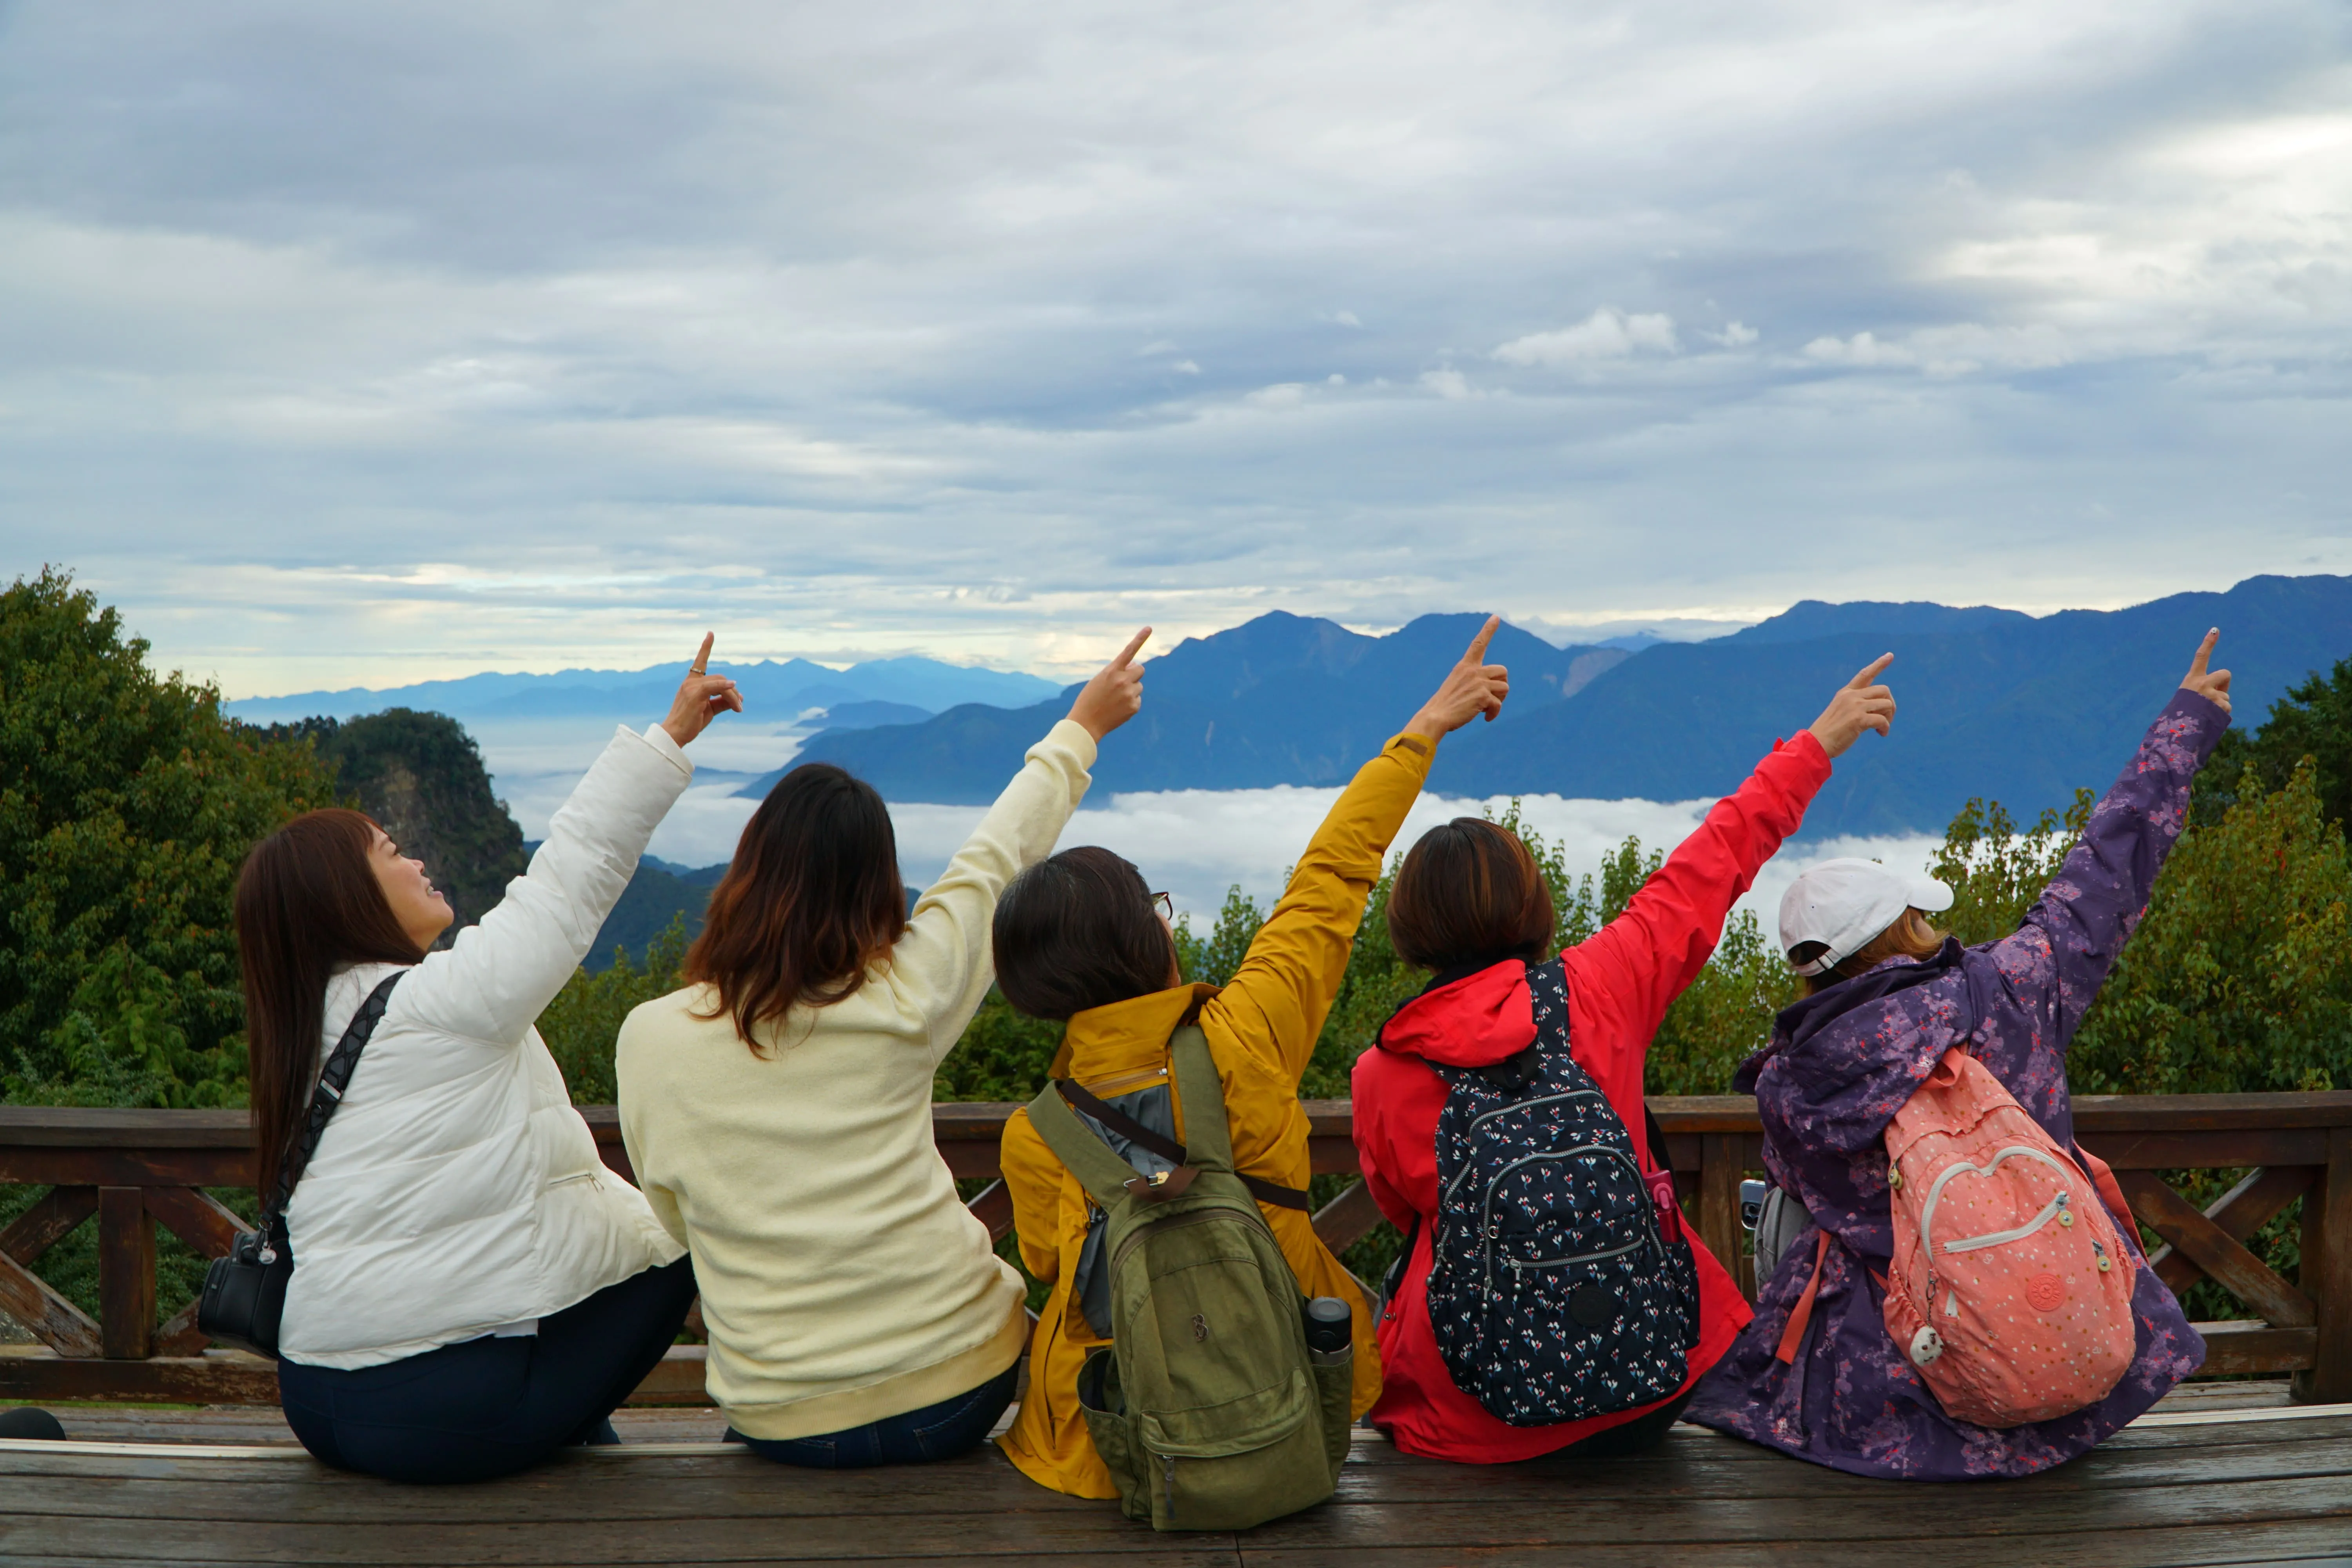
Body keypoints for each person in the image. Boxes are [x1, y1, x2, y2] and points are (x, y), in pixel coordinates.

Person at [1684, 632, 2234, 1479]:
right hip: (2061, 1359)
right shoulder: (2012, 990)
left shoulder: (1791, 1084)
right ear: (1907, 928)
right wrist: (2184, 726)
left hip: (1887, 1404)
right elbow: (2106, 873)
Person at [991, 617, 1515, 1499]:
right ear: (1145, 936)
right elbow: (1332, 875)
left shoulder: (1033, 1135)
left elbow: (1054, 1267)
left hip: (1108, 1449)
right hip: (1291, 1404)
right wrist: (1424, 727)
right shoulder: (1247, 1031)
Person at [614, 631, 1150, 1468]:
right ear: (877, 885)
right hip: (958, 1386)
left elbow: (675, 1216)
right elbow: (993, 859)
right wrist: (1081, 725)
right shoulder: (907, 996)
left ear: (747, 871)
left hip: (779, 1410)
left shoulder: (649, 1039)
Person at [1350, 655, 1900, 1463]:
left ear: (1409, 927)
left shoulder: (1382, 1070)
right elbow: (1712, 863)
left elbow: (1406, 1210)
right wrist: (1820, 740)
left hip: (1470, 1412)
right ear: (1531, 903)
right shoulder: (1602, 987)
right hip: (1641, 1383)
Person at [239, 637, 742, 1484]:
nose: (418, 858)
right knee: (697, 1234)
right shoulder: (438, 1006)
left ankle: (577, 1429)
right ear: (348, 899)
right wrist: (668, 738)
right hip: (438, 1412)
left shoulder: (304, 1031)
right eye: (392, 851)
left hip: (317, 1402)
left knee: (582, 1349)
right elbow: (565, 886)